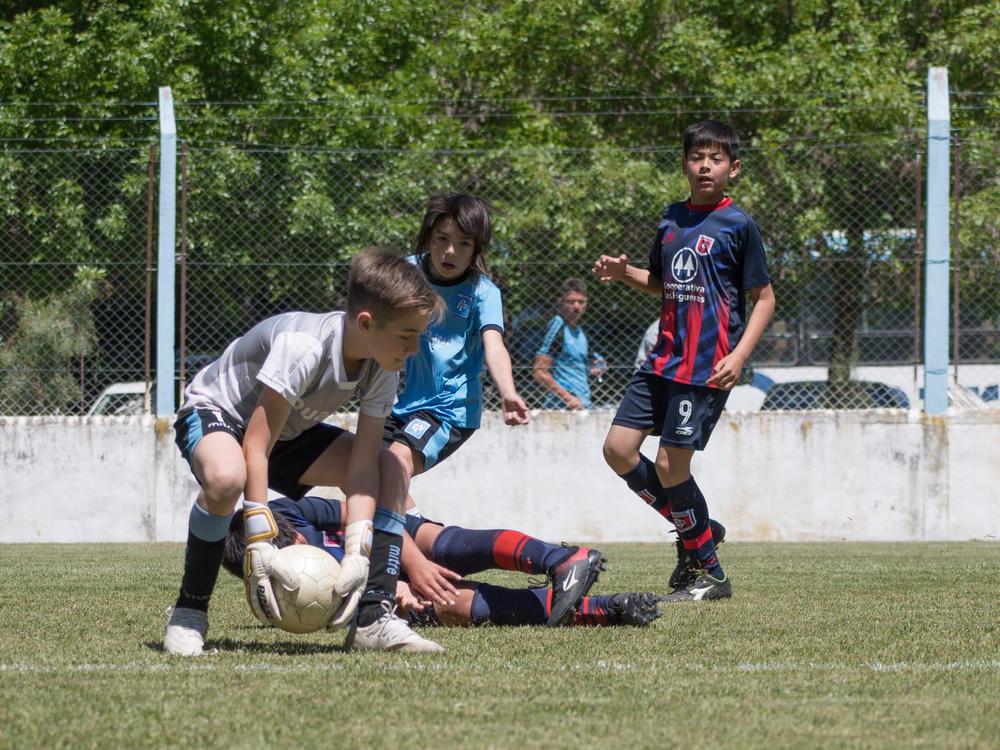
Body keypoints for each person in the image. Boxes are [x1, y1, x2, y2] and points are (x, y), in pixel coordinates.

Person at [163, 247, 446, 656]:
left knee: (391, 465)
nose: (415, 347)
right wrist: (259, 542)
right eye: (408, 335)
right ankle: (190, 612)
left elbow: (364, 464)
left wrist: (357, 550)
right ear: (366, 323)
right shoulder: (303, 347)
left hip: (287, 433)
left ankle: (373, 618)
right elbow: (256, 445)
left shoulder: (383, 361)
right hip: (222, 415)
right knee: (227, 478)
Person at [384, 194, 606, 627]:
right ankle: (412, 577)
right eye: (443, 239)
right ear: (428, 235)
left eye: (464, 244)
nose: (451, 252)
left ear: (478, 248)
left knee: (391, 469)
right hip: (400, 408)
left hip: (447, 411)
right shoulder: (405, 272)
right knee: (371, 485)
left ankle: (401, 579)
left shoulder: (483, 292)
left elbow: (494, 344)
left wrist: (508, 392)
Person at [593, 120, 776, 602]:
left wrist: (738, 355)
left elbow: (764, 298)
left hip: (706, 367)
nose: (705, 166)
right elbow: (663, 281)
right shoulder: (671, 219)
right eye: (698, 158)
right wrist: (623, 272)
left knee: (673, 467)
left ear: (732, 169)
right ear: (685, 165)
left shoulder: (739, 225)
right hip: (662, 361)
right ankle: (699, 531)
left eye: (716, 159)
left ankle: (711, 574)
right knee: (617, 450)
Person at [221, 498, 662, 629]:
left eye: (300, 541)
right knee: (450, 606)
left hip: (398, 535)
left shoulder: (289, 511)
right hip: (379, 588)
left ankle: (564, 559)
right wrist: (393, 595)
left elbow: (370, 511)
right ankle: (603, 608)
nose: (304, 546)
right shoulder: (278, 589)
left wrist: (412, 565)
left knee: (444, 547)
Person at [532, 278, 607, 410]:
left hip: (584, 405)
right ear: (561, 302)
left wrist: (599, 364)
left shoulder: (581, 332)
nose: (577, 306)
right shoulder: (558, 325)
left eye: (581, 302)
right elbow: (540, 372)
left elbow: (592, 359)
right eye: (571, 302)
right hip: (561, 408)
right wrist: (568, 398)